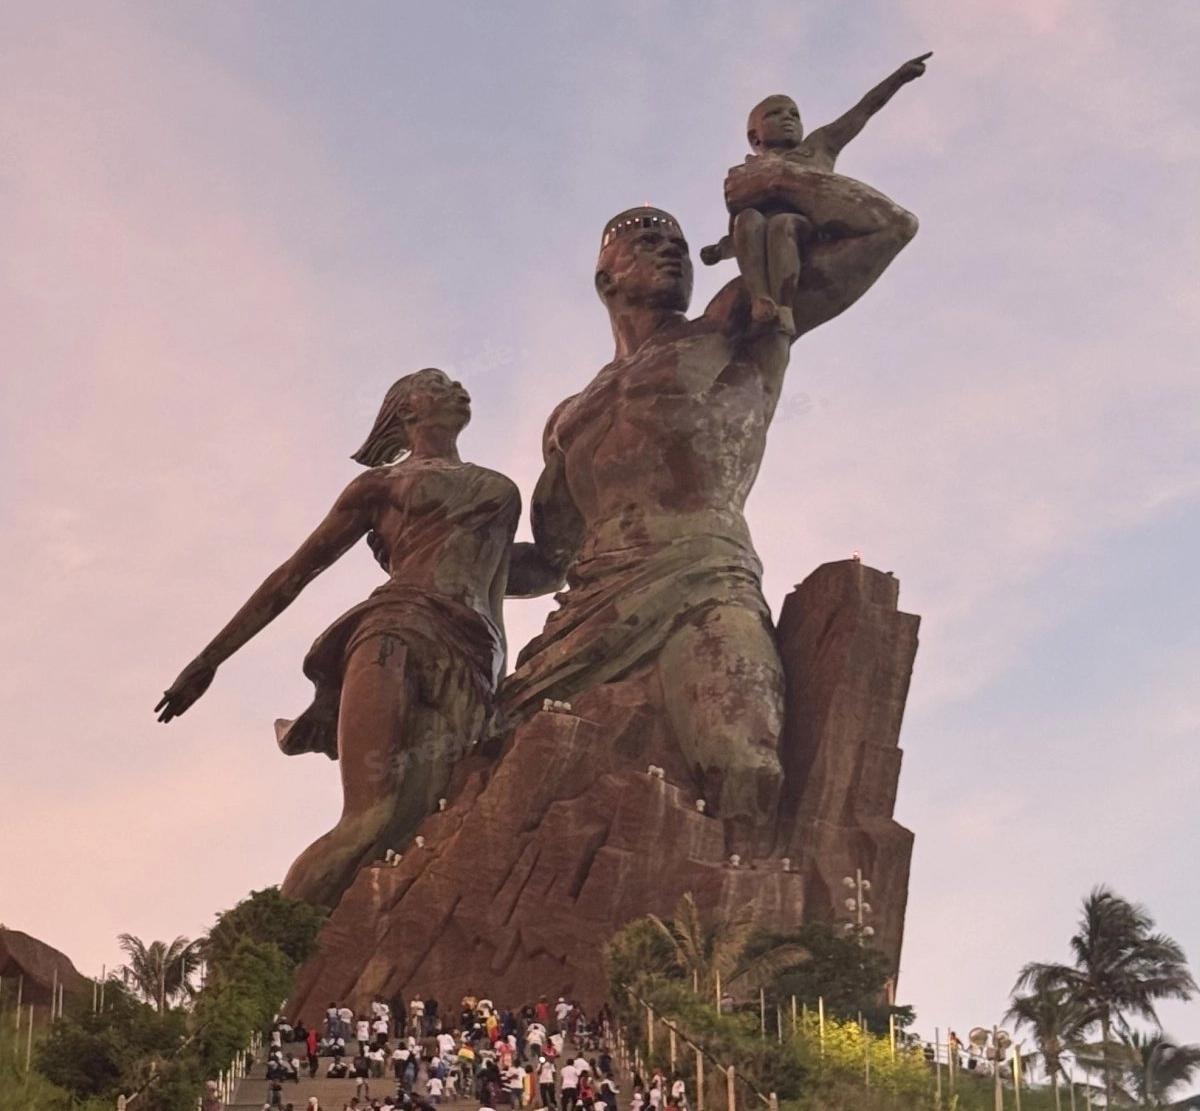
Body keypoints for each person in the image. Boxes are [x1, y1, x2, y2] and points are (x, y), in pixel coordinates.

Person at [502, 168, 918, 853]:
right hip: (588, 608)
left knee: (744, 768)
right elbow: (548, 559)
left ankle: (731, 952)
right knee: (493, 777)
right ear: (606, 280)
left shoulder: (733, 325)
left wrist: (779, 176)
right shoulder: (568, 418)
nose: (669, 250)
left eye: (677, 243)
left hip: (703, 577)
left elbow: (886, 228)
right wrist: (437, 566)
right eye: (645, 241)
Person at [156, 370, 522, 907]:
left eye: (452, 381)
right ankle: (273, 957)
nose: (454, 386)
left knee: (430, 817)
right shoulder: (381, 486)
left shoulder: (497, 486)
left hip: (474, 657)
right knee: (369, 817)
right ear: (407, 413)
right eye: (435, 383)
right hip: (395, 633)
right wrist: (208, 661)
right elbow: (292, 576)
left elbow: (516, 576)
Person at [700, 54, 932, 337]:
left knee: (783, 224)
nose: (788, 119)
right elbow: (740, 235)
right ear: (755, 136)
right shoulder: (744, 174)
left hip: (806, 232)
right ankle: (761, 297)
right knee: (749, 219)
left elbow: (862, 112)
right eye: (775, 114)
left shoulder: (817, 147)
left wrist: (898, 78)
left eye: (794, 114)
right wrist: (720, 250)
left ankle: (784, 306)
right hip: (760, 248)